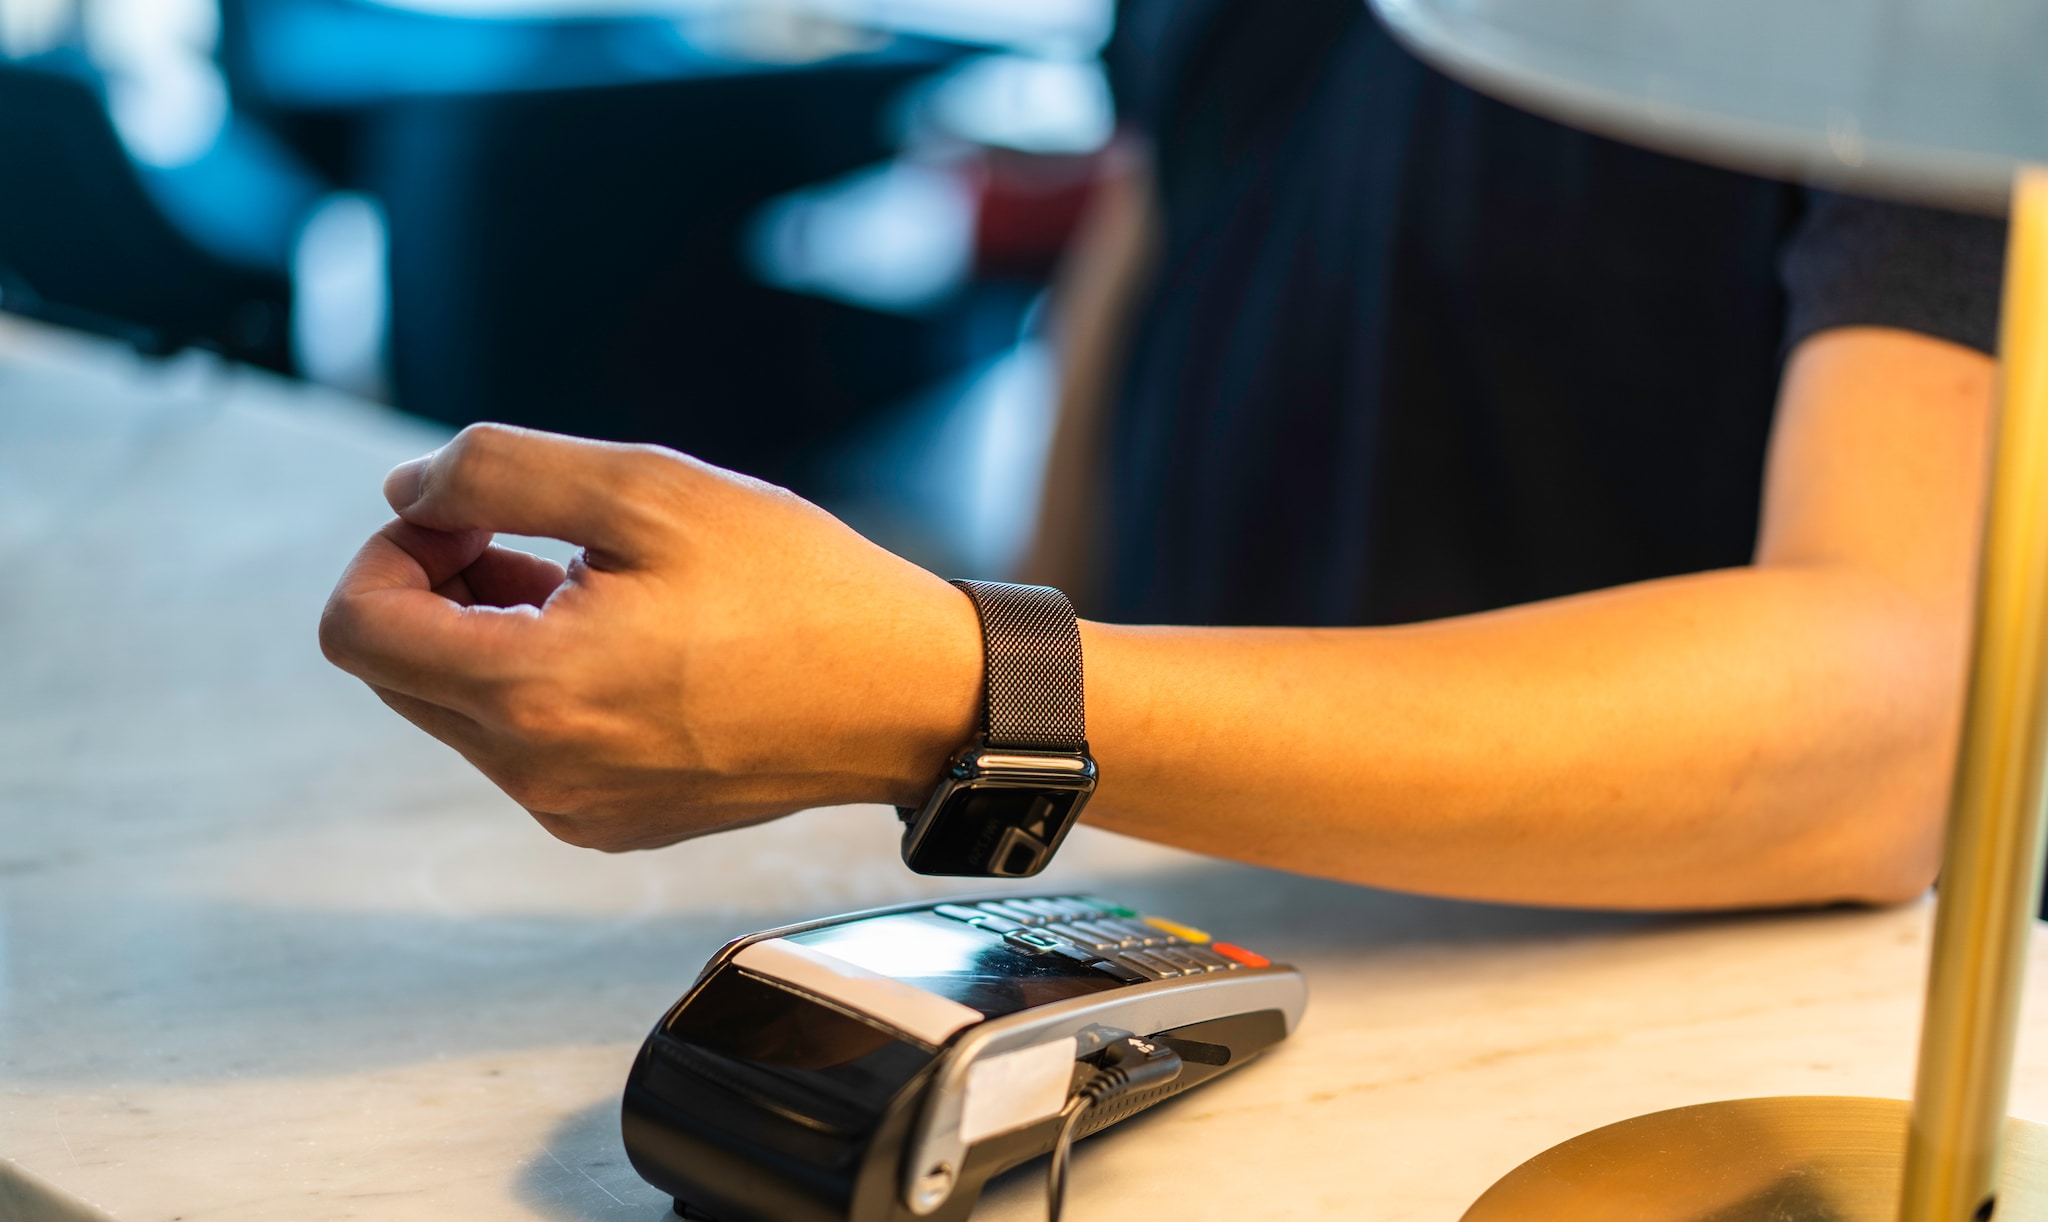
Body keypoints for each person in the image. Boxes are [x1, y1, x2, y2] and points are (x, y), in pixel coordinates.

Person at [320, 0, 2007, 913]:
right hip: (1177, 888)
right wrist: (1034, 731)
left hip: (1582, 990)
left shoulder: (1937, 55)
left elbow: (1887, 730)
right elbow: (1167, 190)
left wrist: (984, 689)